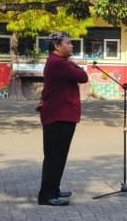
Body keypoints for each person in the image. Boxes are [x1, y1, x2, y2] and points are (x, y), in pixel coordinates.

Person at [37, 32, 89, 206]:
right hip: (58, 115)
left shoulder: (59, 62)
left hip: (61, 114)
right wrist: (73, 64)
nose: (72, 46)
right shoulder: (58, 63)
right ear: (57, 46)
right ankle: (47, 195)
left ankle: (54, 189)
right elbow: (83, 77)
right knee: (54, 157)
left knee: (59, 156)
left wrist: (71, 62)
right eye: (68, 43)